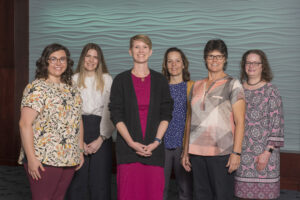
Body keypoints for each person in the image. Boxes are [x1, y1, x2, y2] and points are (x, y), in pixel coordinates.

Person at [109, 34, 173, 200]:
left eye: (144, 47)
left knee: (153, 194)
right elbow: (116, 114)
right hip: (127, 151)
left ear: (151, 51)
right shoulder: (120, 80)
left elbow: (166, 114)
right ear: (130, 51)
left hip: (154, 151)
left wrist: (156, 142)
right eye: (137, 47)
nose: (141, 50)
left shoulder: (160, 81)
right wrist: (131, 143)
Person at [181, 39, 246, 200]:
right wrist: (185, 151)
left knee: (222, 196)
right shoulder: (196, 85)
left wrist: (236, 153)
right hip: (196, 152)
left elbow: (240, 122)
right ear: (205, 59)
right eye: (210, 56)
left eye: (219, 56)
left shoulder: (233, 84)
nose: (214, 60)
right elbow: (189, 120)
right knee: (200, 196)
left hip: (222, 153)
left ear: (225, 59)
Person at [18, 43, 84, 200]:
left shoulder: (72, 88)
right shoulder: (37, 88)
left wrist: (79, 150)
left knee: (59, 197)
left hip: (69, 156)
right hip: (43, 157)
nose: (58, 63)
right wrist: (32, 158)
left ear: (67, 62)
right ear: (45, 62)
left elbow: (77, 120)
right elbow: (24, 124)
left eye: (62, 59)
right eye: (53, 59)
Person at [66, 43, 115, 200]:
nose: (91, 60)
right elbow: (69, 113)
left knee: (100, 181)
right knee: (77, 181)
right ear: (82, 58)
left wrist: (101, 139)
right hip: (77, 130)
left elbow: (111, 112)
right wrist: (79, 141)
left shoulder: (107, 80)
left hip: (101, 131)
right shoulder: (72, 80)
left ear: (100, 60)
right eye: (88, 56)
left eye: (95, 57)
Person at [234, 49, 284, 200]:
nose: (251, 66)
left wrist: (267, 153)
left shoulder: (271, 91)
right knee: (242, 195)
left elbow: (277, 124)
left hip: (264, 154)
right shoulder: (238, 90)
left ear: (263, 66)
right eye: (248, 62)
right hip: (242, 154)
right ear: (244, 65)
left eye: (256, 63)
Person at [161, 47, 193, 200]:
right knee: (161, 189)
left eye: (177, 61)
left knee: (185, 190)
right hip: (162, 144)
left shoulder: (191, 87)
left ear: (183, 64)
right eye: (170, 61)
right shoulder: (160, 87)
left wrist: (187, 148)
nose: (174, 65)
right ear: (165, 65)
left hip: (183, 144)